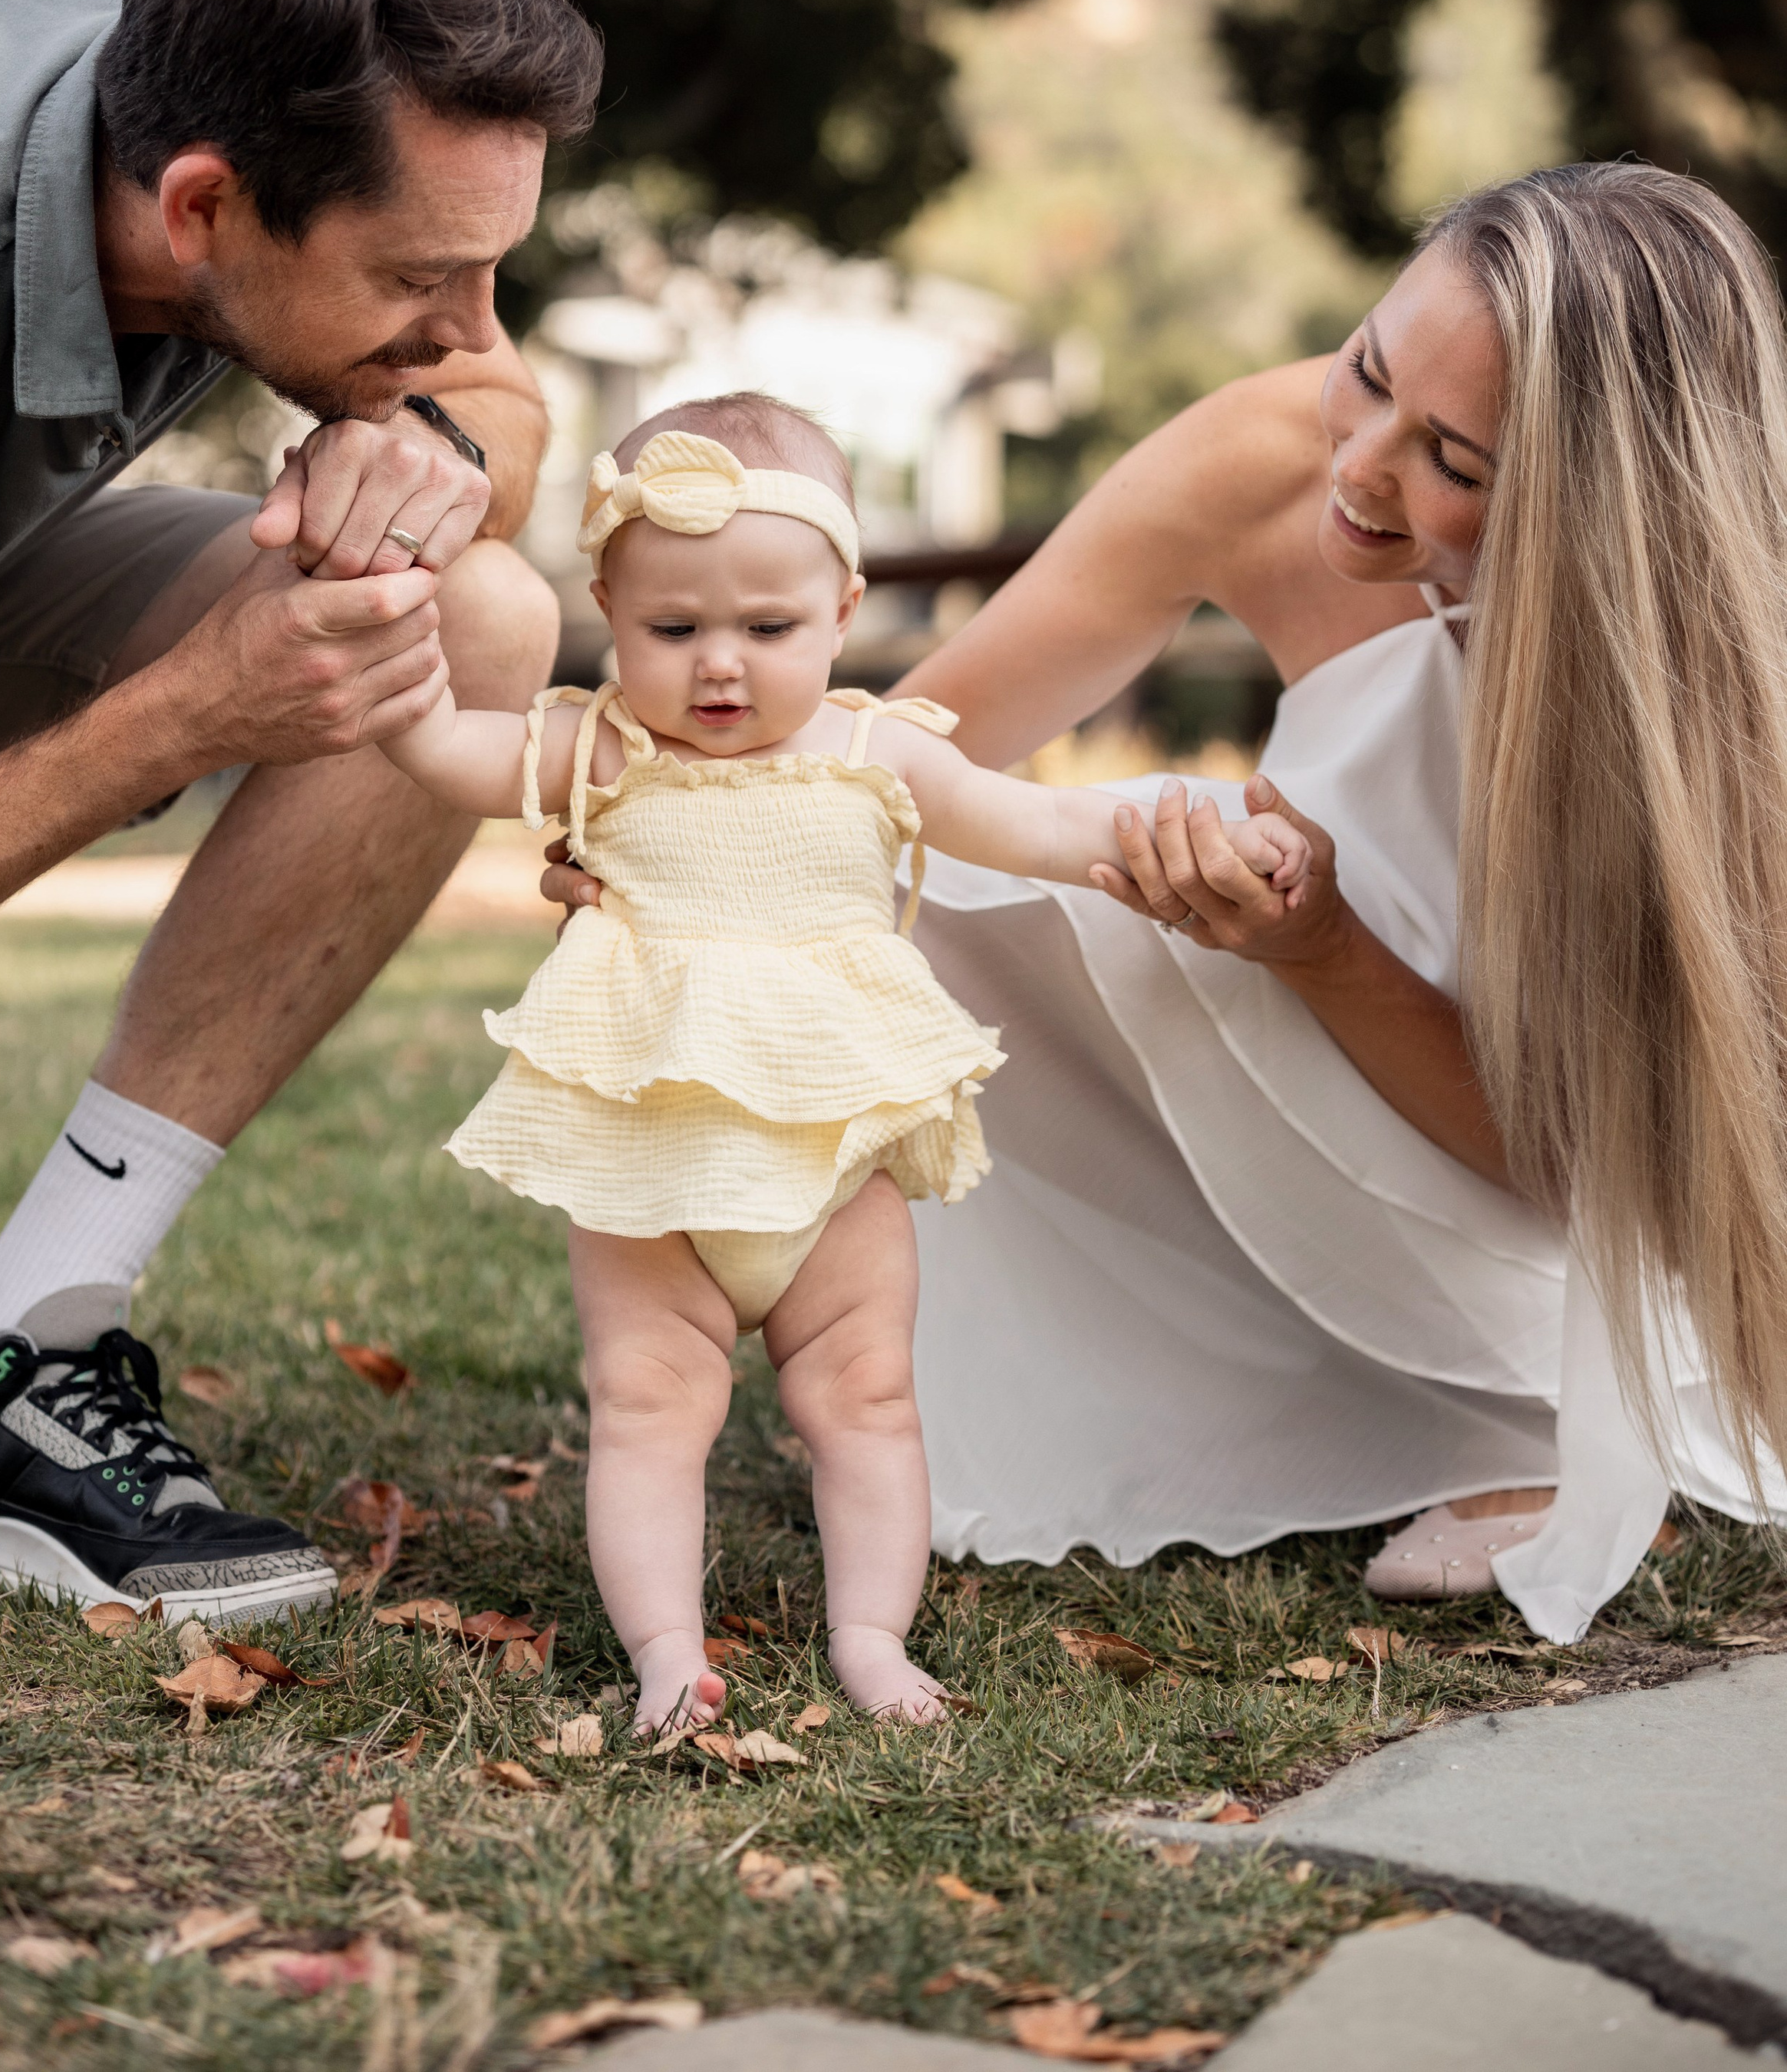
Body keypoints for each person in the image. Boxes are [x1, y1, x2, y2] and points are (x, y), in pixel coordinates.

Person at [542, 166, 1787, 1640]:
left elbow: (1591, 1172)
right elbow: (878, 762)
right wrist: (675, 838)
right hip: (1316, 1083)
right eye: (1368, 372)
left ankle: (1508, 1403)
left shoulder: (1704, 698)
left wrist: (1322, 949)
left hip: (1560, 1188)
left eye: (1454, 457)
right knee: (904, 866)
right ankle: (907, 1339)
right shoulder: (1266, 450)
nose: (1362, 471)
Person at [0, 0, 598, 1626]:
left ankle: (8, 1368)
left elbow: (504, 403)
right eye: (423, 281)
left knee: (462, 613)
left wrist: (441, 448)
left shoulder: (262, 27)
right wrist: (173, 717)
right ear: (199, 210)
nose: (474, 324)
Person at [384, 396, 1311, 1728]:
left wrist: (1206, 830)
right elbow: (441, 750)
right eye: (673, 628)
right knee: (648, 1405)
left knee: (867, 1399)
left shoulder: (880, 755)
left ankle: (872, 1637)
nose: (720, 666)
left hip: (835, 1167)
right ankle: (663, 1653)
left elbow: (1047, 824)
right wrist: (391, 646)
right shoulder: (603, 748)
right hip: (658, 1169)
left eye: (768, 630)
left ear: (841, 609)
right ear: (609, 607)